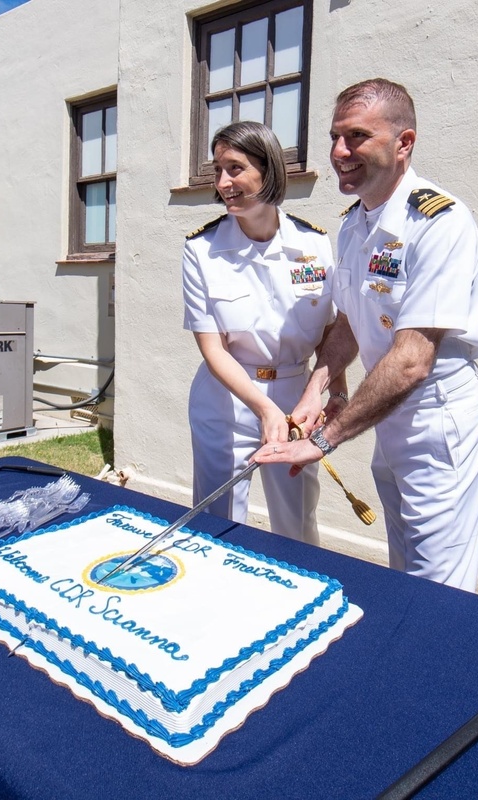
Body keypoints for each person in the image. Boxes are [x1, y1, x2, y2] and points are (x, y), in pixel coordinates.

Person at [253, 79, 478, 591]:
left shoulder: (440, 223)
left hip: (436, 420)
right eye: (335, 137)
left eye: (357, 136)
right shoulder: (355, 224)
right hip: (389, 418)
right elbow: (350, 322)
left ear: (403, 143)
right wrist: (318, 385)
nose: (340, 152)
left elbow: (411, 361)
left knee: (439, 587)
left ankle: (442, 670)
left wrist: (323, 440)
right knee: (404, 571)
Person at [182, 120, 348, 544]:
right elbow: (212, 348)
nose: (223, 182)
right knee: (217, 523)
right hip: (226, 403)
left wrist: (336, 395)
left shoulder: (313, 245)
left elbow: (331, 329)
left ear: (267, 169)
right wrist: (263, 408)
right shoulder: (202, 250)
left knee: (297, 523)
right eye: (218, 170)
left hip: (296, 399)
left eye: (235, 168)